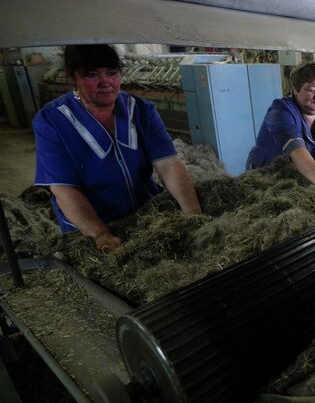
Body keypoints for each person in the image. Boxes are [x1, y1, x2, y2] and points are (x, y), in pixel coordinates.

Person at [33, 44, 202, 253]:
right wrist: (101, 235)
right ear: (72, 76)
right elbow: (64, 188)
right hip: (90, 228)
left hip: (145, 213)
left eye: (112, 73)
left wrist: (194, 213)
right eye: (92, 75)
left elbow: (168, 163)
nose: (105, 82)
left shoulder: (140, 110)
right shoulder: (51, 122)